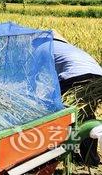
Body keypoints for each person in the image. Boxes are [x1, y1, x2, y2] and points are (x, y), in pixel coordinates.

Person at [51, 30, 102, 166]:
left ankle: (64, 153)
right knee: (86, 116)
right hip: (98, 77)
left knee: (63, 116)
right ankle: (90, 159)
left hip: (75, 78)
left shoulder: (47, 46)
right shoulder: (68, 47)